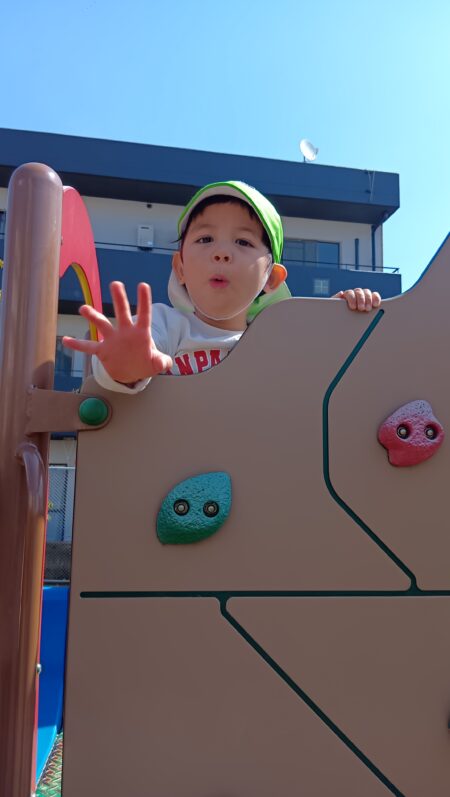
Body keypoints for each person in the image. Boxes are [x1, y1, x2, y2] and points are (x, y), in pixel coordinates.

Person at [62, 180, 381, 390]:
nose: (221, 253)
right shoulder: (166, 324)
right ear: (180, 268)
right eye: (205, 239)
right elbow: (120, 366)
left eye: (243, 241)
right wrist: (126, 365)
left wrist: (339, 321)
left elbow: (321, 372)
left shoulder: (277, 338)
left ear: (271, 278)